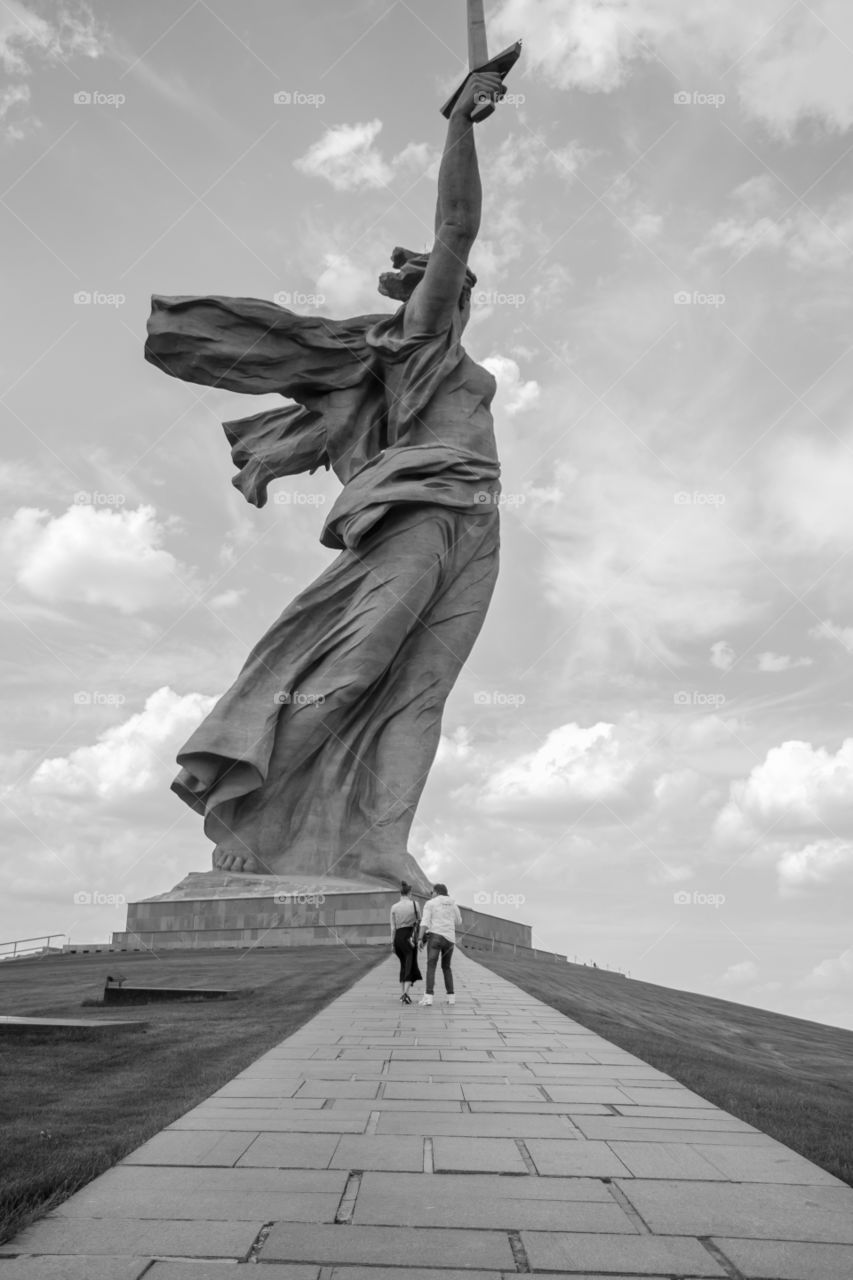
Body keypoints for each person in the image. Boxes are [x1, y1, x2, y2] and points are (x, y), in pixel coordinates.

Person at [143, 69, 505, 892]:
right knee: (350, 670)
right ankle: (250, 813)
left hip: (478, 520)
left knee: (421, 692)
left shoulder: (448, 362)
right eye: (450, 285)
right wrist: (460, 123)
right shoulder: (419, 342)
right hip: (418, 513)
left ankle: (381, 841)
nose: (460, 295)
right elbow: (457, 225)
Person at [417, 882, 463, 1006]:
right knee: (446, 967)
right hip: (449, 939)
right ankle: (451, 997)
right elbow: (459, 921)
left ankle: (428, 997)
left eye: (432, 892)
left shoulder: (430, 903)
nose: (431, 894)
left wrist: (420, 938)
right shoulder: (453, 904)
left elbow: (425, 922)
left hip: (435, 937)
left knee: (431, 966)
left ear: (436, 892)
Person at [390, 881, 422, 1003]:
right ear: (409, 893)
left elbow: (392, 927)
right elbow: (420, 920)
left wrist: (392, 943)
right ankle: (405, 994)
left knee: (403, 965)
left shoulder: (394, 907)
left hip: (398, 937)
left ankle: (403, 994)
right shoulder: (415, 904)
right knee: (410, 964)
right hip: (410, 937)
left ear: (401, 893)